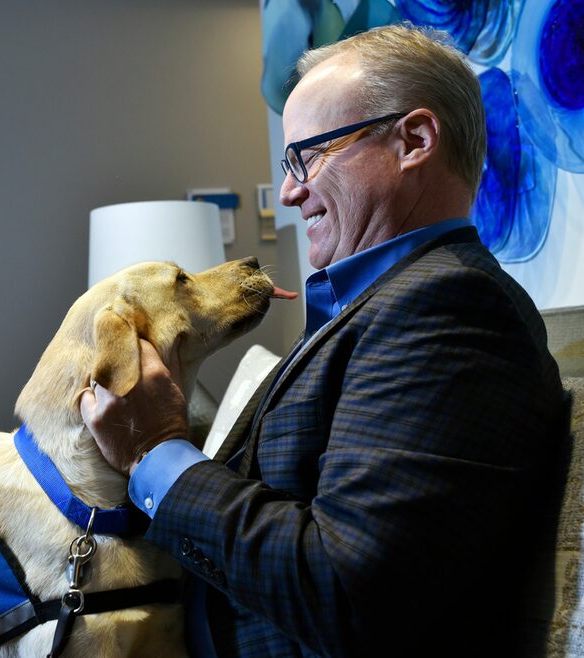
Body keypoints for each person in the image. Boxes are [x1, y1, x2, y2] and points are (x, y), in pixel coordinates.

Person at [80, 23, 568, 657]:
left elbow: (348, 593)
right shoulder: (382, 305)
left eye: (307, 154)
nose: (288, 191)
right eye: (288, 163)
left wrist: (155, 449)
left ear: (414, 141)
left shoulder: (449, 307)